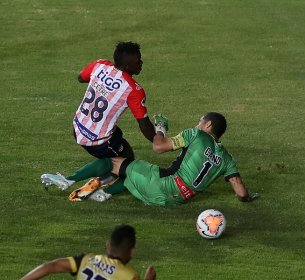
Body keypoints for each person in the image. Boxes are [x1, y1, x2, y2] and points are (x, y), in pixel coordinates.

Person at [65, 112, 259, 205]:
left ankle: (68, 180)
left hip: (161, 185)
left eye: (199, 121)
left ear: (207, 125)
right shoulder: (227, 158)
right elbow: (240, 190)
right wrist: (249, 198)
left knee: (115, 161)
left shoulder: (196, 135)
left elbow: (158, 147)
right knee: (136, 172)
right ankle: (106, 193)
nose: (197, 123)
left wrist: (160, 128)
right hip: (174, 200)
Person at [41, 41, 156, 193]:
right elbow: (144, 125)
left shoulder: (100, 65)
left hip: (78, 129)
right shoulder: (133, 90)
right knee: (126, 162)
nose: (141, 63)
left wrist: (102, 84)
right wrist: (159, 140)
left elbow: (80, 77)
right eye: (138, 61)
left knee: (117, 140)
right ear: (128, 66)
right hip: (97, 141)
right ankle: (101, 190)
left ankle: (90, 180)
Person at [21, 224, 156, 280]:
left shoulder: (87, 259)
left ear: (108, 245)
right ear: (132, 252)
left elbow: (49, 267)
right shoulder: (129, 275)